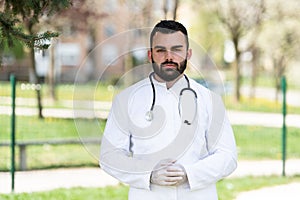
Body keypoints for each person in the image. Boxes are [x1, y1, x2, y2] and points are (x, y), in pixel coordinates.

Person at [100, 20, 237, 200]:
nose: (169, 57)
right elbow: (109, 155)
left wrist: (189, 173)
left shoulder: (210, 100)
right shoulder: (126, 100)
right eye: (161, 50)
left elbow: (228, 156)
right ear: (150, 55)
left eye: (177, 49)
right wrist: (148, 173)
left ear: (188, 54)